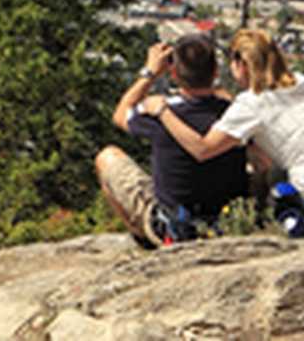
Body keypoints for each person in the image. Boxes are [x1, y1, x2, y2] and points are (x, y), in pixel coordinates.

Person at [141, 28, 304, 236]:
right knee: (277, 168)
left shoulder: (250, 105)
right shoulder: (301, 82)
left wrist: (163, 111)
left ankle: (281, 228)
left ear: (242, 65)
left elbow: (203, 149)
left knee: (271, 179)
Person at [96, 35, 248, 247]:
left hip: (173, 226)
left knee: (107, 157)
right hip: (226, 219)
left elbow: (120, 114)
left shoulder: (160, 112)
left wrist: (149, 73)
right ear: (215, 72)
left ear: (174, 74)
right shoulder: (237, 113)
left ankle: (143, 238)